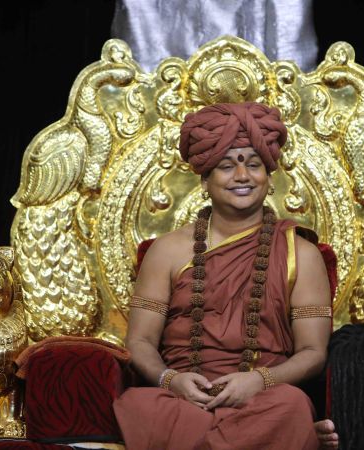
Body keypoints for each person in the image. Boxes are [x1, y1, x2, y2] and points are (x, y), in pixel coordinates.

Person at [113, 102, 338, 449]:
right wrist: (171, 380)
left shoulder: (302, 254)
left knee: (290, 405)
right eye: (227, 166)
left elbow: (312, 352)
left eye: (254, 164)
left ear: (269, 178)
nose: (242, 176)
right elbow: (140, 342)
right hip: (185, 401)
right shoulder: (168, 250)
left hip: (263, 401)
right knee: (138, 406)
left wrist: (259, 381)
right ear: (205, 181)